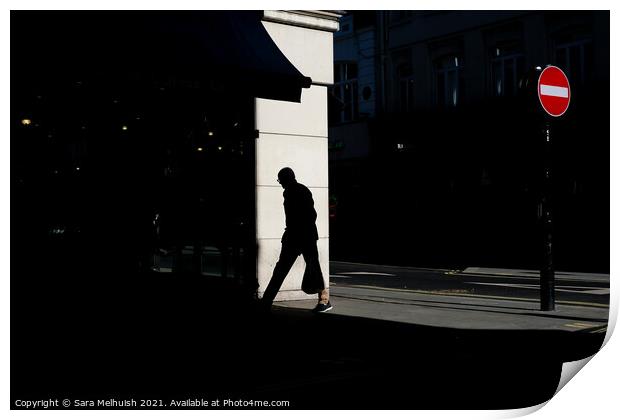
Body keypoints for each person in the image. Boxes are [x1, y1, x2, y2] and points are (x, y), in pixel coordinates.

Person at [261, 167, 332, 313]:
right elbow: (312, 215)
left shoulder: (291, 192)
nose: (280, 183)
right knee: (313, 268)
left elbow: (303, 216)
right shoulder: (302, 190)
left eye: (280, 180)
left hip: (297, 236)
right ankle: (324, 300)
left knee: (281, 270)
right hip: (306, 236)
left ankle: (266, 301)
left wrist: (294, 231)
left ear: (285, 179)